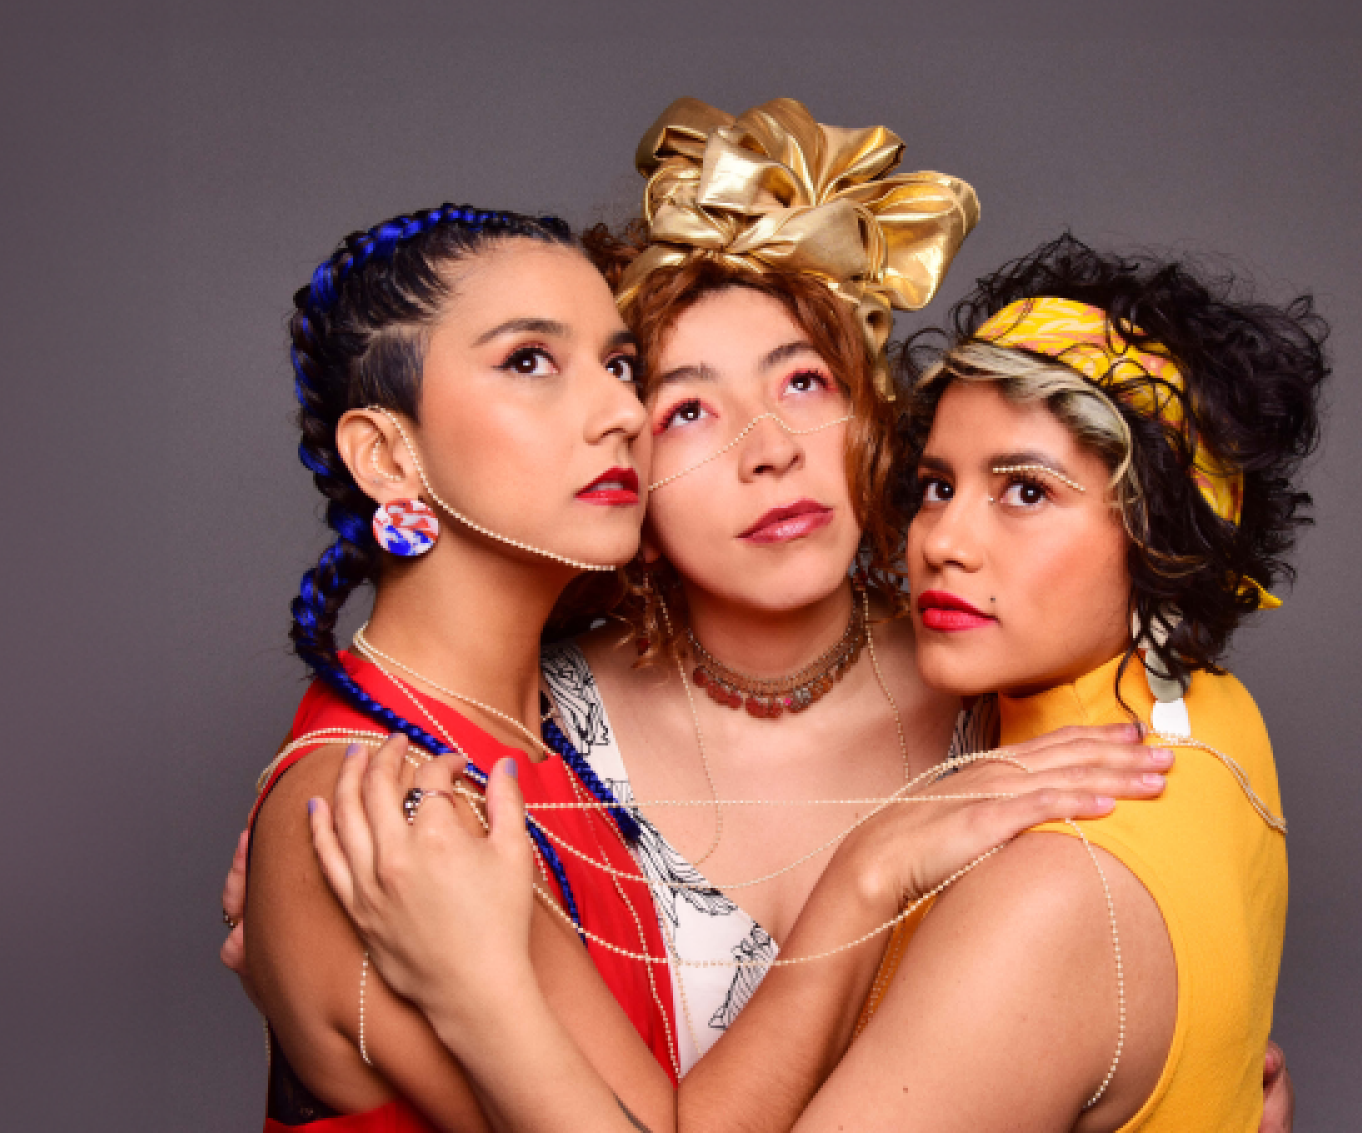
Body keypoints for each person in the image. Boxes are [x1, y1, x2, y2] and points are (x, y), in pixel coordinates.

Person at [241, 200, 1167, 1133]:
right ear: (385, 453)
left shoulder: (505, 750)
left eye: (617, 367)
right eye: (530, 362)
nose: (617, 414)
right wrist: (867, 875)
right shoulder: (383, 806)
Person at [801, 236, 1327, 1130]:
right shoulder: (1214, 716)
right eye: (937, 486)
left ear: (1162, 533)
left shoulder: (1048, 895)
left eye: (1027, 492)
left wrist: (860, 876)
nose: (943, 543)